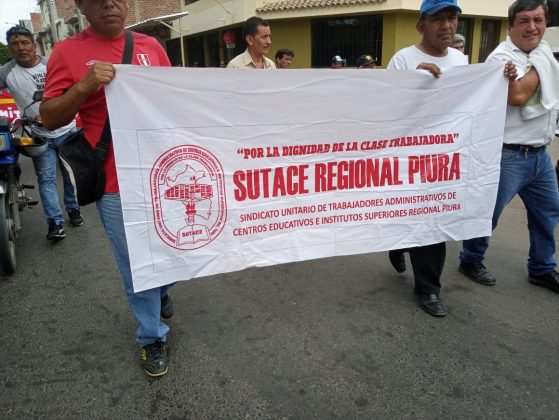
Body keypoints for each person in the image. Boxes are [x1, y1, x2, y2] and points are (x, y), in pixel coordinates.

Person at [39, 0, 175, 378]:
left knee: (179, 247)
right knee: (136, 264)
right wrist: (84, 86)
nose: (109, 4)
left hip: (161, 175)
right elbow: (49, 117)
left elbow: (175, 100)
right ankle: (151, 336)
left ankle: (162, 289)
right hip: (114, 181)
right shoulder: (67, 51)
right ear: (82, 6)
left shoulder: (151, 46)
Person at [458, 0, 559, 294]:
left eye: (538, 20)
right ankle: (470, 259)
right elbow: (516, 96)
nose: (532, 27)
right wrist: (542, 65)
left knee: (547, 213)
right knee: (488, 214)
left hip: (540, 155)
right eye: (524, 21)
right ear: (510, 26)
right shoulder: (502, 57)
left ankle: (542, 267)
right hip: (507, 154)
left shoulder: (543, 53)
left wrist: (539, 62)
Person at [386, 0, 468, 317]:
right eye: (438, 19)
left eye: (451, 18)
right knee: (413, 217)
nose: (447, 25)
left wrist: (501, 77)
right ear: (421, 25)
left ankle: (428, 288)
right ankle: (400, 243)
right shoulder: (403, 60)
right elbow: (386, 110)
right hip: (409, 161)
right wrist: (413, 84)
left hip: (445, 159)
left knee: (434, 222)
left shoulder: (461, 60)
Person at [0, 25, 83, 241]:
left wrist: (55, 111)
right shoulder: (6, 72)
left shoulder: (52, 64)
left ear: (34, 45)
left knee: (70, 176)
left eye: (25, 42)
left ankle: (73, 208)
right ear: (10, 48)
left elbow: (72, 89)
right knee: (46, 179)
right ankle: (55, 223)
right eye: (15, 44)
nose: (21, 47)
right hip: (38, 136)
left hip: (67, 130)